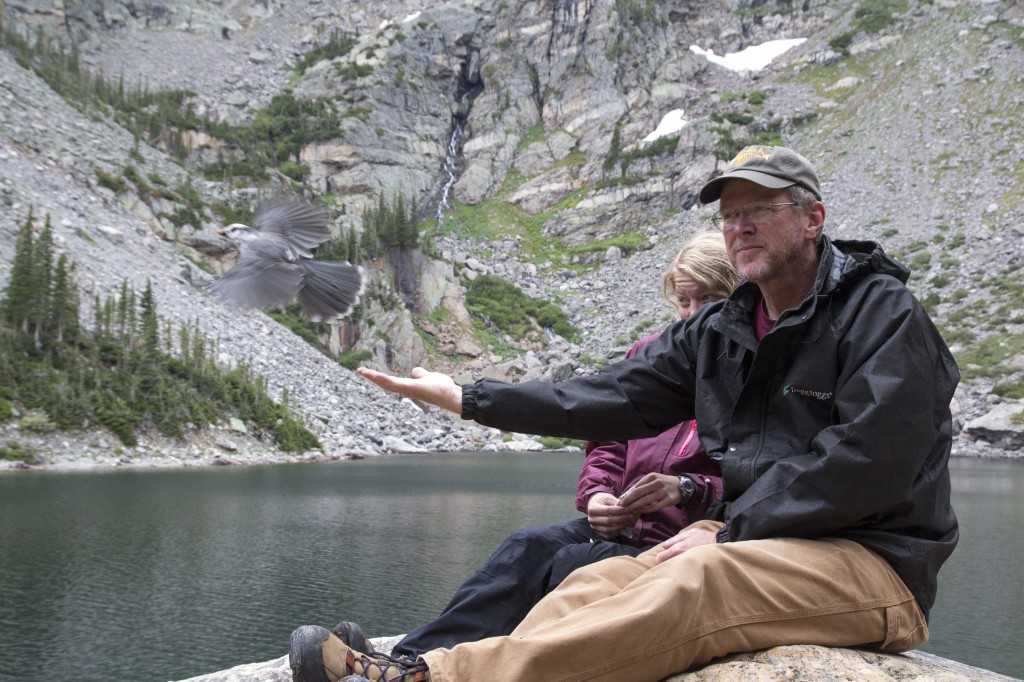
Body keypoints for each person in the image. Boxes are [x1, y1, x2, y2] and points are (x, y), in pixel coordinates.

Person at [290, 145, 960, 682]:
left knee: (700, 573)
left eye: (759, 209)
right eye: (729, 215)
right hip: (760, 540)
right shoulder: (724, 329)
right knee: (601, 578)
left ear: (812, 218)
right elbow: (610, 395)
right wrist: (470, 397)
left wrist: (728, 529)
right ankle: (415, 661)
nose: (740, 227)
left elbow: (870, 460)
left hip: (873, 562)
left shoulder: (881, 313)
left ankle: (430, 678)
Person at [369, 233, 738, 660]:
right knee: (524, 546)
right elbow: (607, 433)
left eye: (707, 301)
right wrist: (599, 495)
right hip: (628, 529)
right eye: (682, 302)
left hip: (685, 541)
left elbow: (760, 472)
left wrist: (688, 488)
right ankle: (407, 660)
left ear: (738, 296)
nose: (691, 316)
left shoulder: (747, 368)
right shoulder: (655, 355)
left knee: (571, 566)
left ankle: (465, 666)